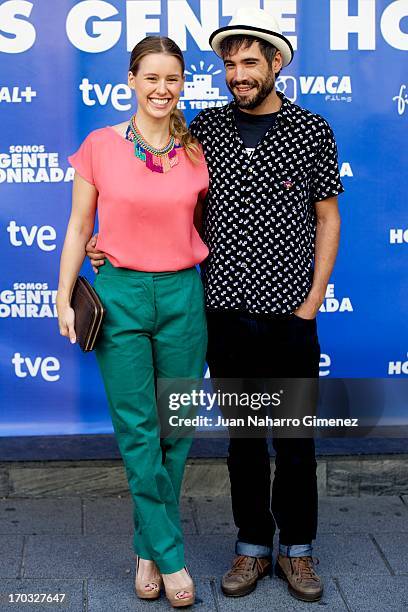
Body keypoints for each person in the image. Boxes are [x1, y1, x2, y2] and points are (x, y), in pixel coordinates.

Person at [86, 7, 344, 604]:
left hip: (289, 313)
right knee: (245, 440)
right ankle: (253, 547)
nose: (238, 73)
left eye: (250, 62)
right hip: (221, 309)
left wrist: (312, 300)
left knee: (295, 438)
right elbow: (168, 203)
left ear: (276, 64)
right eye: (229, 64)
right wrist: (109, 242)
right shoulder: (203, 130)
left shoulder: (313, 131)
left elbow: (328, 217)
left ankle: (298, 552)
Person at [57, 35, 209, 608]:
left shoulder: (198, 149)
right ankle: (172, 559)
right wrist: (63, 292)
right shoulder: (99, 144)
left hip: (181, 297)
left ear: (182, 83)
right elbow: (78, 226)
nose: (162, 89)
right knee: (139, 430)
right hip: (120, 294)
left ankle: (146, 546)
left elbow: (197, 224)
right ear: (131, 80)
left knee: (175, 427)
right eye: (151, 78)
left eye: (173, 78)